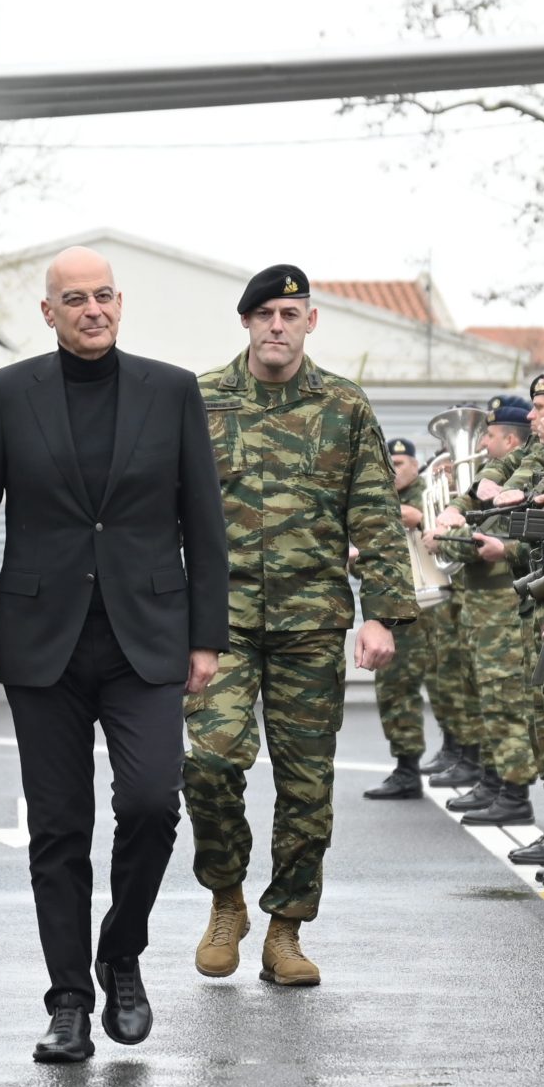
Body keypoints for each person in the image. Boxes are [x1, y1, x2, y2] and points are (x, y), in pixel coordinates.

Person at [0, 246, 228, 1065]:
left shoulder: (171, 391)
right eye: (74, 299)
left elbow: (203, 523)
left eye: (104, 295)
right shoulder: (8, 394)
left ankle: (122, 950)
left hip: (147, 635)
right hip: (44, 643)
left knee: (150, 802)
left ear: (120, 302)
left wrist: (205, 636)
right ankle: (68, 998)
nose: (92, 309)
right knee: (60, 828)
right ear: (49, 312)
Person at [186, 264, 413, 987]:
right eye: (265, 314)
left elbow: (375, 515)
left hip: (310, 620)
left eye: (290, 312)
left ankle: (286, 928)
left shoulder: (344, 406)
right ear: (246, 323)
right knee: (213, 761)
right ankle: (227, 897)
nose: (277, 325)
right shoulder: (200, 401)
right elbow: (159, 509)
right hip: (217, 620)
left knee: (307, 785)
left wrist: (380, 611)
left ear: (310, 322)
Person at [434, 394, 540, 827]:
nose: (484, 443)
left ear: (511, 441)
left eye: (491, 435)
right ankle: (497, 782)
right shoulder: (490, 477)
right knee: (488, 696)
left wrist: (447, 537)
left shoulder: (519, 480)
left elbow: (484, 544)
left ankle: (513, 792)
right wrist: (453, 513)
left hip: (501, 605)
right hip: (482, 607)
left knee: (504, 699)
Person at [363, 437, 435, 801]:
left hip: (437, 607)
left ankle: (471, 758)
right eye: (389, 463)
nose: (395, 470)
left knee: (452, 689)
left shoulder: (432, 492)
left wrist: (420, 518)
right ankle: (407, 768)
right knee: (394, 689)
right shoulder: (377, 499)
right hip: (399, 607)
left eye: (402, 462)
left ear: (417, 464)